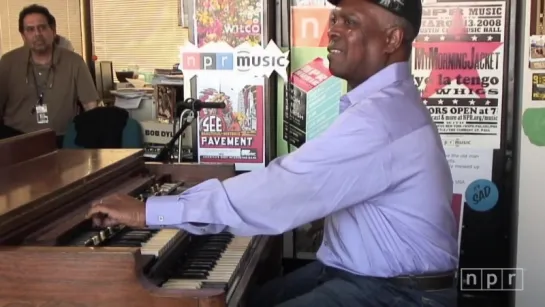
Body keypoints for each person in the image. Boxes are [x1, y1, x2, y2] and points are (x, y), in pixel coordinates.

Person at [87, 0, 459, 306]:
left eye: (350, 22)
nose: (332, 29)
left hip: (399, 293)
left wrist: (150, 210)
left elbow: (284, 188)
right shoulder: (383, 103)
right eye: (334, 18)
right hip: (366, 274)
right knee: (255, 298)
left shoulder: (382, 117)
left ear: (392, 38)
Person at [0, 4, 99, 147]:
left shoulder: (74, 61)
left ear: (53, 30)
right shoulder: (8, 62)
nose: (37, 34)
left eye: (42, 27)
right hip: (17, 140)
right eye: (30, 29)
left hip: (62, 140)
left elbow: (91, 107)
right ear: (23, 35)